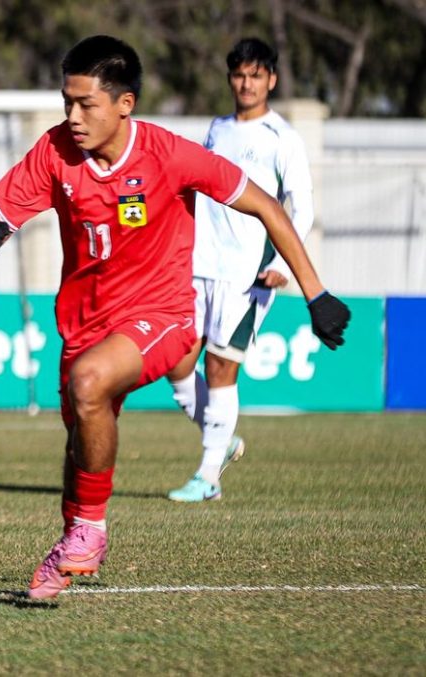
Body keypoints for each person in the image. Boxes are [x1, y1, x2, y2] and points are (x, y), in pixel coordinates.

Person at [0, 35, 349, 600]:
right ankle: (73, 539)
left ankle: (94, 530)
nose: (73, 117)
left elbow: (268, 206)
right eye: (67, 102)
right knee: (81, 433)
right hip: (83, 322)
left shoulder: (169, 155)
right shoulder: (56, 150)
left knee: (89, 383)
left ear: (125, 104)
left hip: (163, 314)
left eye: (86, 104)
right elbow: (11, 205)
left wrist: (316, 294)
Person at [166, 38, 313, 503]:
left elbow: (301, 208)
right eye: (239, 74)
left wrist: (281, 262)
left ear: (272, 80)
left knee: (220, 365)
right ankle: (221, 437)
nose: (246, 83)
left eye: (256, 75)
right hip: (198, 266)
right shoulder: (217, 129)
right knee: (175, 362)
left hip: (248, 273)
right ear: (230, 79)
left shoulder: (282, 138)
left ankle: (209, 475)